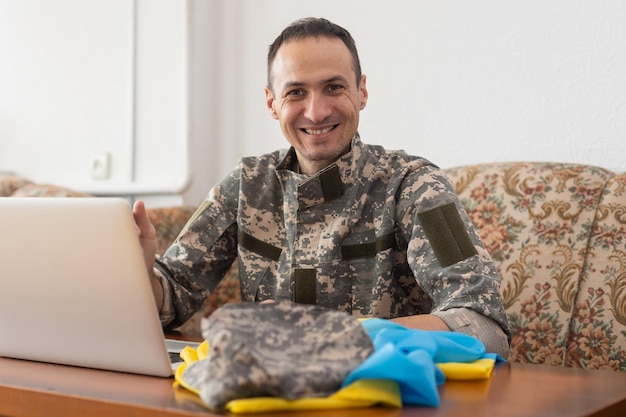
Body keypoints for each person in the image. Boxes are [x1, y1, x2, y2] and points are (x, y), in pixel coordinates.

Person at [133, 17, 510, 357]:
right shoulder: (247, 185)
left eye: (333, 87)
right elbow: (170, 298)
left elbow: (481, 323)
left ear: (362, 92)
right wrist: (138, 268)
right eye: (296, 92)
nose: (316, 111)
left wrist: (326, 335)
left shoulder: (414, 185)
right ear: (272, 103)